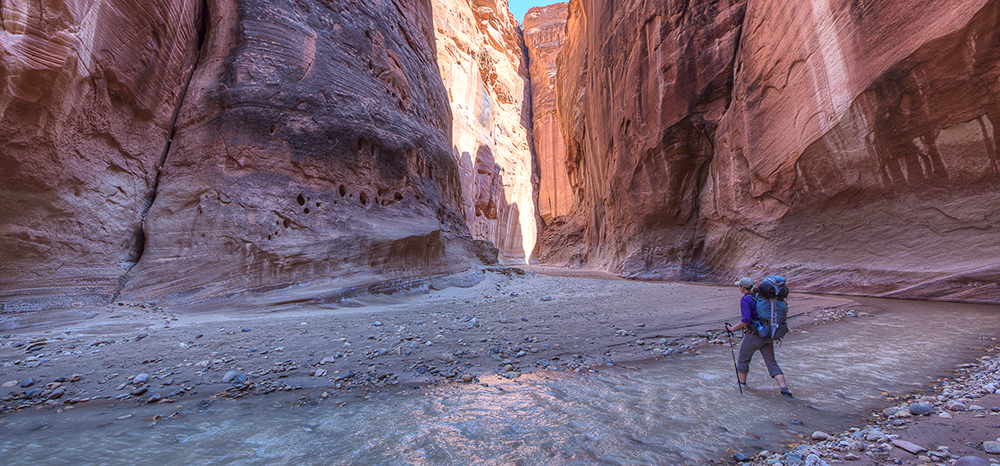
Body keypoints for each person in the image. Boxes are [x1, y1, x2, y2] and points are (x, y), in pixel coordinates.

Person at [724, 277, 793, 397]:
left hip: (755, 335)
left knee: (743, 359)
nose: (739, 288)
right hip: (769, 333)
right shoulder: (762, 297)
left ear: (742, 287)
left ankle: (742, 385)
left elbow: (745, 320)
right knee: (771, 362)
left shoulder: (745, 299)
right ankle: (784, 389)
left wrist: (731, 329)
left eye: (739, 286)